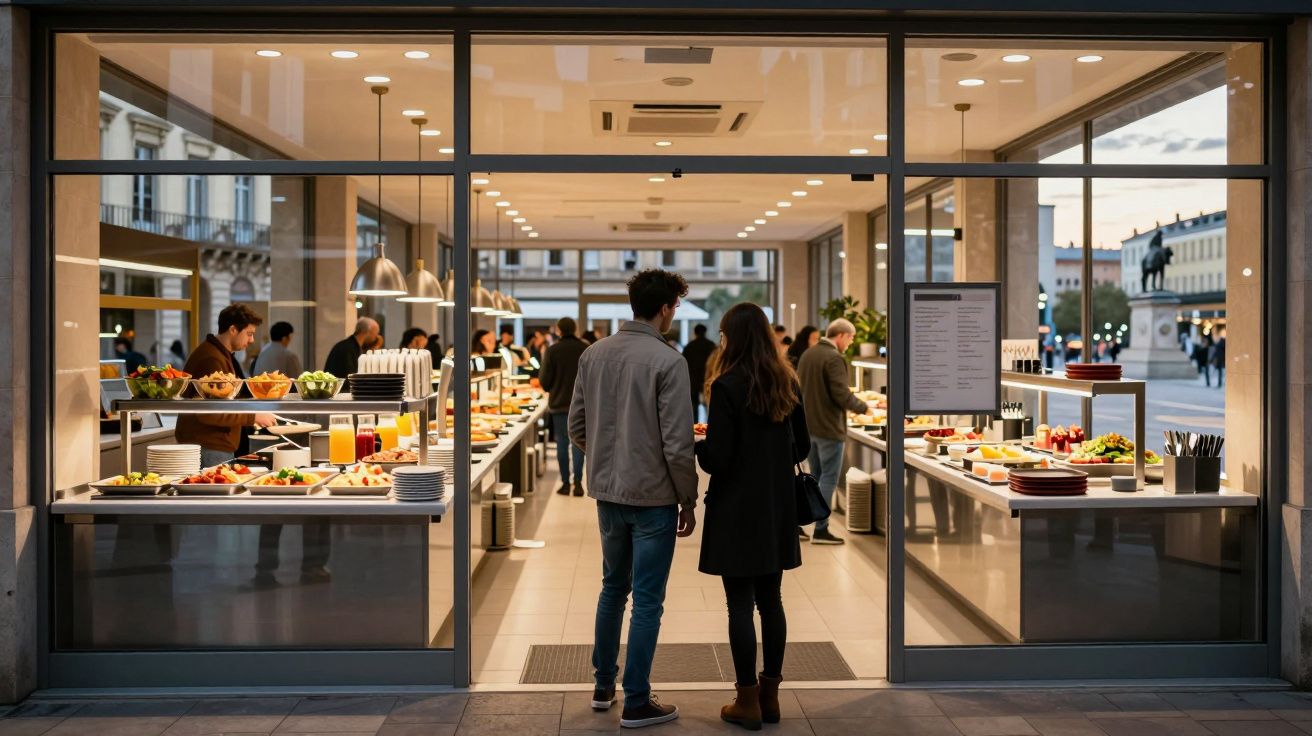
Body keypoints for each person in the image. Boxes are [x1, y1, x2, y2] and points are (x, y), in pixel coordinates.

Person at [568, 269, 697, 729]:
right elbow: (678, 444)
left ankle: (603, 686)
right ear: (665, 308)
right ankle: (638, 700)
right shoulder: (669, 362)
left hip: (608, 493)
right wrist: (689, 497)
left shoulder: (594, 354)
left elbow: (576, 427)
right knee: (646, 599)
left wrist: (607, 458)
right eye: (675, 307)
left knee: (611, 589)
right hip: (653, 496)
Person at [695, 303, 809, 730]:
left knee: (739, 605)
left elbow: (719, 459)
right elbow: (803, 448)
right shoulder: (787, 382)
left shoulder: (725, 386)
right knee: (772, 601)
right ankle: (770, 696)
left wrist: (700, 446)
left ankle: (746, 702)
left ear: (732, 339)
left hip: (735, 510)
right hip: (776, 506)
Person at [176, 304, 278, 467]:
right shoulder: (212, 360)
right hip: (209, 446)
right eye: (249, 334)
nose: (251, 340)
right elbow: (209, 413)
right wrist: (253, 417)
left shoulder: (219, 354)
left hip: (213, 445)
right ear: (232, 330)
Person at [796, 319, 870, 545]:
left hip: (809, 426)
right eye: (851, 337)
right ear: (840, 335)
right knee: (828, 478)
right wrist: (864, 407)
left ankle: (799, 524)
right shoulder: (834, 357)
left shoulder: (808, 355)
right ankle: (821, 529)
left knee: (815, 478)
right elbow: (841, 394)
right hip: (829, 428)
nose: (851, 342)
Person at [540, 317, 588, 497]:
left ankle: (565, 483)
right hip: (582, 405)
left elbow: (544, 382)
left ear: (559, 330)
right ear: (575, 329)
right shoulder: (585, 348)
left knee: (562, 442)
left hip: (559, 404)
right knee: (578, 443)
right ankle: (578, 483)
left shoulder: (552, 350)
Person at [324, 317, 379, 381]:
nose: (375, 337)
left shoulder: (349, 345)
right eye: (376, 333)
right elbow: (350, 377)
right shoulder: (347, 348)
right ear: (367, 332)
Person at [681, 324, 717, 422]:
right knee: (709, 405)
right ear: (705, 332)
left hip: (693, 380)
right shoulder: (711, 345)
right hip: (709, 379)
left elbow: (684, 364)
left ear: (695, 333)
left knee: (694, 406)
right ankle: (710, 427)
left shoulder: (689, 347)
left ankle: (695, 427)